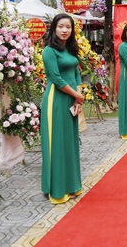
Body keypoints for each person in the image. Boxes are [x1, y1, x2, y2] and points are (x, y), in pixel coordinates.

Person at [40, 13, 84, 205]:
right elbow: (56, 79)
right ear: (54, 29)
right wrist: (76, 95)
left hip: (72, 101)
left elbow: (76, 74)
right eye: (61, 27)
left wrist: (78, 99)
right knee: (56, 143)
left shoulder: (71, 50)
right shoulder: (49, 51)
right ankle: (56, 189)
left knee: (70, 143)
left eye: (68, 27)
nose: (65, 30)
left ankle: (72, 185)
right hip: (56, 101)